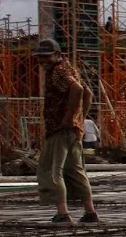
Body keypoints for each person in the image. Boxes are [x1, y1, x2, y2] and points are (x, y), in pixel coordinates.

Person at [33, 38, 99, 225]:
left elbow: (77, 89)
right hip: (72, 131)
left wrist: (69, 117)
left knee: (51, 170)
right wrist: (80, 118)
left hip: (59, 130)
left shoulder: (58, 72)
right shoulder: (70, 68)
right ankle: (90, 212)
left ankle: (62, 213)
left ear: (57, 55)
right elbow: (88, 93)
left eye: (46, 57)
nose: (42, 61)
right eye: (39, 58)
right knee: (76, 172)